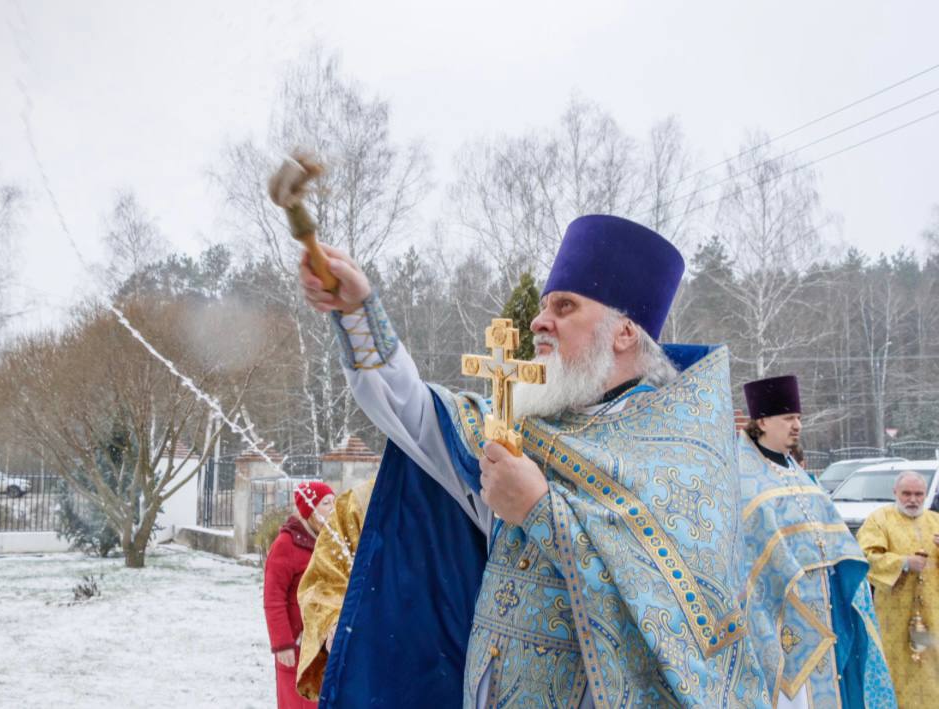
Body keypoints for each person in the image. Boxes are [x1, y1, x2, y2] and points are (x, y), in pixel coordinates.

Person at [285, 188, 773, 706]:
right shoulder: (525, 434)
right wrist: (359, 310)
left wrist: (540, 512)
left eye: (564, 307)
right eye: (543, 306)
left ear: (625, 332)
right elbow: (413, 413)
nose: (540, 321)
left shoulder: (682, 462)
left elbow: (674, 629)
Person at [738, 375, 896, 708]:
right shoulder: (744, 476)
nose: (796, 426)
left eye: (798, 418)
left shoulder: (799, 473)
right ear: (762, 422)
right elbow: (749, 552)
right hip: (784, 616)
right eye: (788, 419)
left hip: (828, 611)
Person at [858, 471, 939, 707]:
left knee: (931, 667)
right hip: (895, 614)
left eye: (918, 494)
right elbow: (866, 557)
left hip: (933, 615)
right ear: (895, 493)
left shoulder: (935, 520)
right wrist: (903, 563)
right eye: (906, 494)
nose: (912, 500)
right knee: (896, 665)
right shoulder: (879, 520)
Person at [294, 478, 375, 702]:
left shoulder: (475, 489)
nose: (329, 506)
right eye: (324, 503)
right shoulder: (360, 502)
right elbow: (320, 584)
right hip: (373, 668)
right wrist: (334, 622)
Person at [262, 480, 335, 709]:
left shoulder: (329, 543)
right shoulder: (286, 545)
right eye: (326, 503)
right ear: (310, 511)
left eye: (334, 501)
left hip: (325, 643)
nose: (333, 508)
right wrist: (282, 643)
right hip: (295, 645)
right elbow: (273, 599)